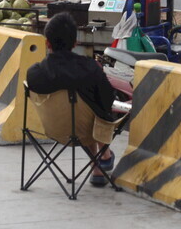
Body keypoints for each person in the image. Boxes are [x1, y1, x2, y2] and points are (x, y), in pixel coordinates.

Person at [26, 12, 116, 186]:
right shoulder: (90, 69)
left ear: (47, 43)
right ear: (75, 43)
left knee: (85, 107)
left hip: (53, 130)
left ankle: (96, 167)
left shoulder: (34, 73)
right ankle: (104, 155)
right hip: (86, 130)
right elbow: (108, 100)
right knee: (96, 106)